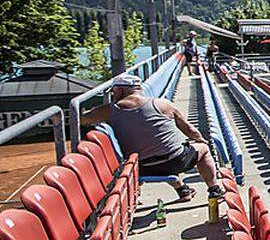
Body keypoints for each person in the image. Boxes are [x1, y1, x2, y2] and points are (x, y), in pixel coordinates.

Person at [80, 73, 220, 202]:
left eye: (114, 91)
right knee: (203, 149)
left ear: (120, 90)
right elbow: (190, 130)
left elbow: (82, 120)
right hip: (175, 162)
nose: (112, 94)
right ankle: (214, 190)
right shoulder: (162, 104)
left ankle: (183, 190)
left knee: (154, 154)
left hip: (140, 167)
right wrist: (201, 140)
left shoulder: (108, 110)